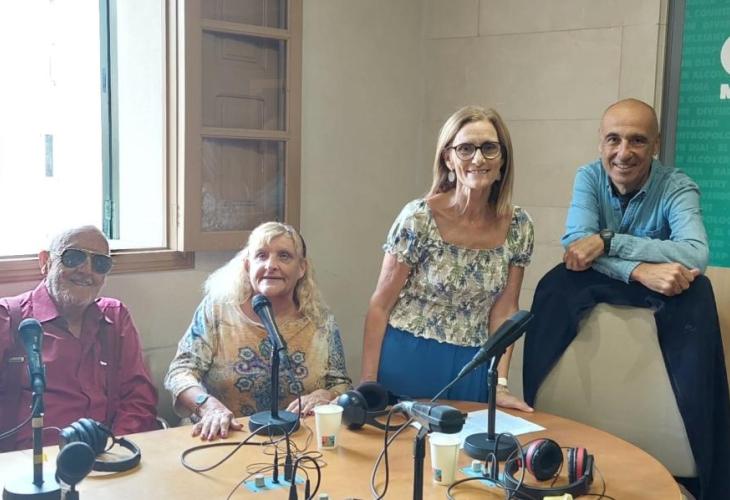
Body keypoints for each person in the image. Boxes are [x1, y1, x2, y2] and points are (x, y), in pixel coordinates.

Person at [523, 98, 730, 499]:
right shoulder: (588, 177)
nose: (623, 152)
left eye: (637, 140)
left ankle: (697, 462)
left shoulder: (677, 185)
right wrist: (637, 271)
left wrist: (609, 241)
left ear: (656, 145)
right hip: (627, 278)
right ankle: (544, 421)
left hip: (664, 295)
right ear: (600, 142)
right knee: (555, 282)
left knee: (697, 292)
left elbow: (694, 254)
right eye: (613, 140)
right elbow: (575, 246)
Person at [360, 105, 534, 411]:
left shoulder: (519, 225)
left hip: (474, 366)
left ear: (502, 160)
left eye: (489, 148)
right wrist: (368, 385)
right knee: (403, 443)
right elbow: (380, 304)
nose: (478, 159)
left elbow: (505, 311)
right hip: (409, 358)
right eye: (465, 149)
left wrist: (500, 384)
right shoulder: (418, 217)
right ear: (448, 158)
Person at [165, 222, 352, 441]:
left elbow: (341, 383)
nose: (271, 265)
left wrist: (326, 394)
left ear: (302, 268)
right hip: (223, 436)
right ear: (247, 265)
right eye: (261, 256)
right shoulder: (217, 311)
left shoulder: (320, 321)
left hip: (297, 441)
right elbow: (180, 372)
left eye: (284, 256)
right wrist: (207, 406)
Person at [0, 226, 158, 452]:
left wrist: (115, 450)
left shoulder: (115, 317)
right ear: (45, 262)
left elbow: (138, 399)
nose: (86, 270)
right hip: (29, 462)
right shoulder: (8, 319)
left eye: (100, 263)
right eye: (73, 257)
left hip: (108, 456)